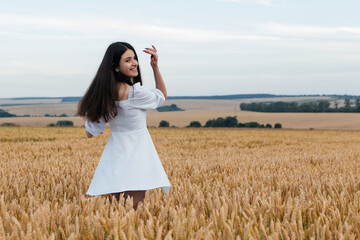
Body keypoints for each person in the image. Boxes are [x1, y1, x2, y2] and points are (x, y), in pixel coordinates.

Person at [77, 42, 171, 210]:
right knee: (134, 212)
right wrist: (155, 67)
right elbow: (161, 97)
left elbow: (91, 132)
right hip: (138, 154)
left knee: (117, 214)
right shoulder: (135, 93)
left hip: (115, 155)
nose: (134, 63)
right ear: (116, 67)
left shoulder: (104, 95)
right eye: (128, 60)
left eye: (134, 58)